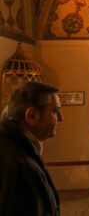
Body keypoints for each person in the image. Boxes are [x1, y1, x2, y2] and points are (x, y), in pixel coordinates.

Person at [0, 81, 63, 216]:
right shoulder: (18, 165)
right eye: (55, 111)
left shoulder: (16, 148)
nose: (60, 118)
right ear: (32, 116)